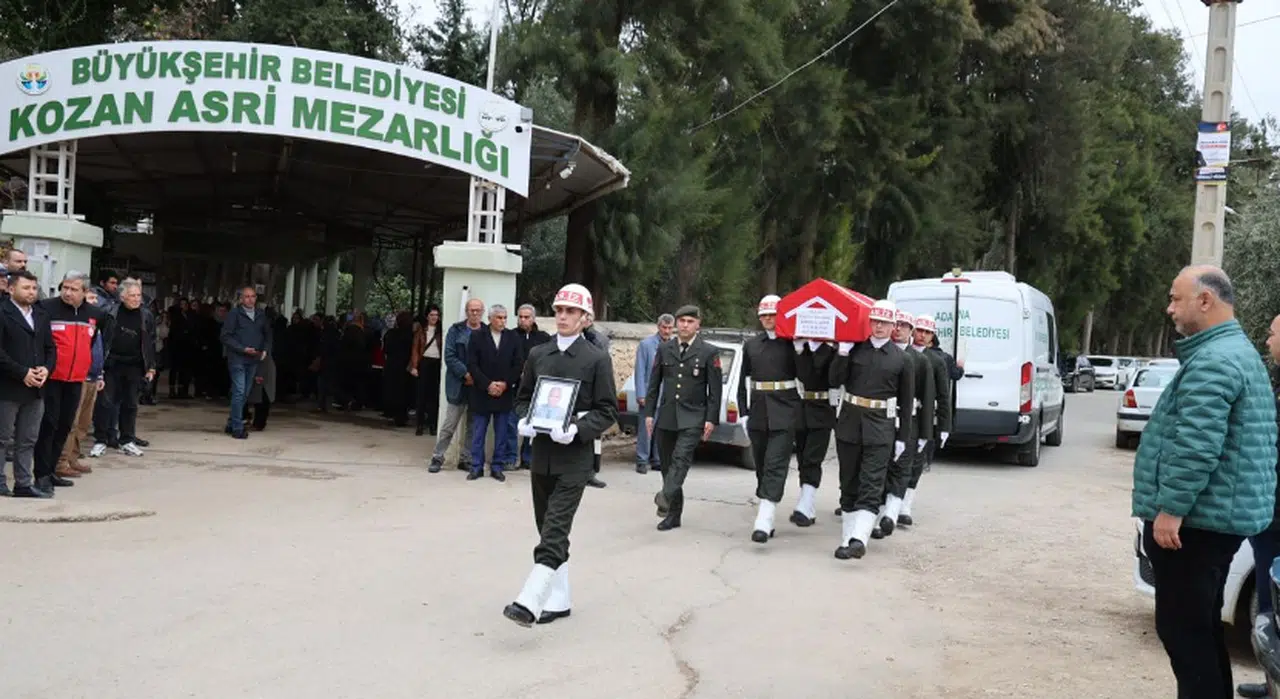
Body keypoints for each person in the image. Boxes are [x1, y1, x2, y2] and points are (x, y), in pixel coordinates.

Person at [1133, 266, 1276, 699]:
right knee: (1200, 627)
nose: (1170, 308)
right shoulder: (1234, 351)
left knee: (1184, 632)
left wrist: (1171, 510)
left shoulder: (1215, 360)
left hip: (1196, 524)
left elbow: (1196, 445)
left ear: (1205, 300)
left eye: (1176, 298)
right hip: (1213, 519)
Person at [503, 283, 618, 627]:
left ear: (585, 318)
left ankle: (529, 599)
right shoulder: (539, 354)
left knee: (554, 527)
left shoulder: (596, 359)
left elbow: (607, 410)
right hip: (542, 455)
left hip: (574, 459)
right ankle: (560, 599)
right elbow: (523, 398)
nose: (563, 316)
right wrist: (524, 420)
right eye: (559, 310)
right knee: (547, 528)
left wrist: (578, 429)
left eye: (571, 311)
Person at [828, 299, 913, 560]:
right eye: (875, 321)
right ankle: (847, 538)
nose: (879, 327)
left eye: (884, 323)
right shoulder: (854, 350)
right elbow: (834, 380)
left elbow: (906, 402)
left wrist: (903, 437)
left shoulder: (903, 359)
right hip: (850, 422)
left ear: (893, 325)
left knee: (872, 482)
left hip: (880, 426)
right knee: (848, 481)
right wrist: (842, 354)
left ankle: (859, 538)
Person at [645, 305, 723, 532]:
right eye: (682, 321)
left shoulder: (708, 352)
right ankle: (673, 514)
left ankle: (665, 496)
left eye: (690, 321)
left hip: (693, 416)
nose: (685, 325)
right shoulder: (665, 348)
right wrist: (649, 413)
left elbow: (715, 391)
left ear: (698, 324)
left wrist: (711, 419)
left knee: (680, 459)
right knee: (667, 466)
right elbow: (654, 383)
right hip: (667, 415)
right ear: (676, 324)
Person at [1239, 313, 1280, 699]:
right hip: (1269, 514)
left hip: (1276, 516)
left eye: (1272, 334)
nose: (1267, 341)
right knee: (1268, 603)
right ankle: (1271, 683)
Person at [737, 294, 800, 543]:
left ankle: (764, 518)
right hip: (758, 412)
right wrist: (743, 412)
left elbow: (807, 375)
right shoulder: (752, 345)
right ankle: (767, 505)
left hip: (785, 411)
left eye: (772, 315)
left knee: (776, 464)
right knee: (762, 463)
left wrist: (802, 350)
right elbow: (743, 381)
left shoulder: (793, 343)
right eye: (763, 315)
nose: (767, 319)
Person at [34, 271, 100, 488]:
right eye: (65, 288)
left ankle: (52, 469)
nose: (68, 293)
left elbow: (93, 342)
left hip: (76, 379)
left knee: (65, 426)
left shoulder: (93, 314)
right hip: (52, 377)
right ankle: (41, 474)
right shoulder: (46, 308)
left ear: (85, 292)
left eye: (74, 289)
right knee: (49, 425)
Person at [872, 309, 933, 539]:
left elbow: (927, 398)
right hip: (883, 417)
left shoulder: (920, 360)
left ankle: (892, 511)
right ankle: (878, 513)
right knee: (882, 466)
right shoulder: (880, 354)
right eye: (895, 324)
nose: (898, 329)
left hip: (910, 419)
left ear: (911, 331)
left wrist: (926, 433)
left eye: (904, 326)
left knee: (902, 466)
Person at [0, 271, 55, 497]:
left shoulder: (41, 315)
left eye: (33, 288)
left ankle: (23, 483)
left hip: (36, 388)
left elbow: (50, 348)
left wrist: (46, 368)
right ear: (11, 289)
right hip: (8, 387)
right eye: (26, 288)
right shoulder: (3, 312)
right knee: (2, 438)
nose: (31, 292)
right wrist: (22, 372)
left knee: (28, 439)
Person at [898, 314, 951, 528]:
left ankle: (905, 505)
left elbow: (943, 395)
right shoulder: (901, 352)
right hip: (900, 412)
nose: (922, 335)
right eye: (919, 330)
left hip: (922, 414)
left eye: (928, 332)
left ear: (932, 336)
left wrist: (944, 425)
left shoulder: (937, 361)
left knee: (917, 461)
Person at [95, 278, 156, 457]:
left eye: (138, 295)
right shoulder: (109, 312)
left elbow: (151, 342)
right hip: (111, 364)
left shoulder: (146, 316)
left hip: (135, 366)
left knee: (130, 404)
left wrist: (151, 367)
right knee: (105, 403)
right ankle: (101, 440)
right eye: (132, 295)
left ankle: (127, 440)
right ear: (122, 297)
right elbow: (99, 338)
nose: (136, 299)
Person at [466, 304, 523, 482]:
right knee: (478, 433)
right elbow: (472, 364)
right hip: (482, 392)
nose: (502, 321)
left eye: (505, 318)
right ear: (490, 318)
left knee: (502, 433)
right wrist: (488, 384)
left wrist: (505, 384)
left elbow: (518, 364)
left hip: (504, 393)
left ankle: (497, 467)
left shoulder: (512, 337)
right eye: (499, 317)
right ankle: (476, 467)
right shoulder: (477, 336)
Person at [428, 298, 484, 473]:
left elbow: (489, 359)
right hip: (458, 385)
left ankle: (466, 459)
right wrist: (465, 374)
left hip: (477, 387)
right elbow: (450, 356)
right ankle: (437, 457)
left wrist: (478, 377)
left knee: (473, 426)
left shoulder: (486, 332)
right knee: (449, 425)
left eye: (478, 310)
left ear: (482, 312)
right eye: (471, 310)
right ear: (466, 311)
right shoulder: (456, 330)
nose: (474, 313)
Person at [791, 335, 837, 527]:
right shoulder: (802, 348)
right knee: (802, 457)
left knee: (813, 458)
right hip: (802, 407)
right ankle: (807, 504)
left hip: (823, 409)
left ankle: (805, 503)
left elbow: (824, 376)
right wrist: (800, 350)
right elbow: (800, 375)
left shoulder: (833, 351)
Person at [219, 285, 270, 439]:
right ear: (241, 299)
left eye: (252, 296)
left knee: (245, 394)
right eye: (246, 296)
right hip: (238, 359)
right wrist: (242, 349)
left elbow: (267, 334)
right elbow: (225, 336)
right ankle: (237, 427)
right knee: (239, 391)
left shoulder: (261, 315)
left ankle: (231, 422)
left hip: (253, 359)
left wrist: (265, 350)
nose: (250, 299)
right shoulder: (234, 314)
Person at [634, 313, 674, 474]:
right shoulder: (646, 345)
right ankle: (641, 460)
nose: (667, 331)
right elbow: (640, 370)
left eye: (670, 328)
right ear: (658, 327)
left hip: (667, 395)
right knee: (646, 429)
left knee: (661, 429)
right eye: (664, 327)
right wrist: (641, 394)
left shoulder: (675, 345)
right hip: (650, 393)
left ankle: (657, 459)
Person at [513, 303, 552, 469]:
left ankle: (528, 458)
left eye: (527, 317)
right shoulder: (511, 336)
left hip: (536, 387)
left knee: (533, 423)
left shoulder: (543, 338)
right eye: (520, 317)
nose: (523, 320)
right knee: (513, 424)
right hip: (515, 386)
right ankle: (512, 458)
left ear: (533, 318)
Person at [409, 305, 443, 436]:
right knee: (421, 394)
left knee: (434, 395)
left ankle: (433, 425)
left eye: (436, 315)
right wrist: (414, 366)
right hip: (424, 362)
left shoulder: (441, 331)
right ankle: (420, 424)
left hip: (437, 363)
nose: (434, 317)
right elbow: (415, 348)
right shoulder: (421, 330)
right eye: (432, 315)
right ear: (427, 316)